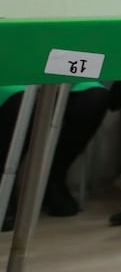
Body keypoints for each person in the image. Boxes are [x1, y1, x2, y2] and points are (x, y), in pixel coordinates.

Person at [0, 82, 109, 230]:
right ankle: (5, 184)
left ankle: (52, 178)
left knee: (94, 97)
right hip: (11, 78)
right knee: (23, 101)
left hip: (57, 75)